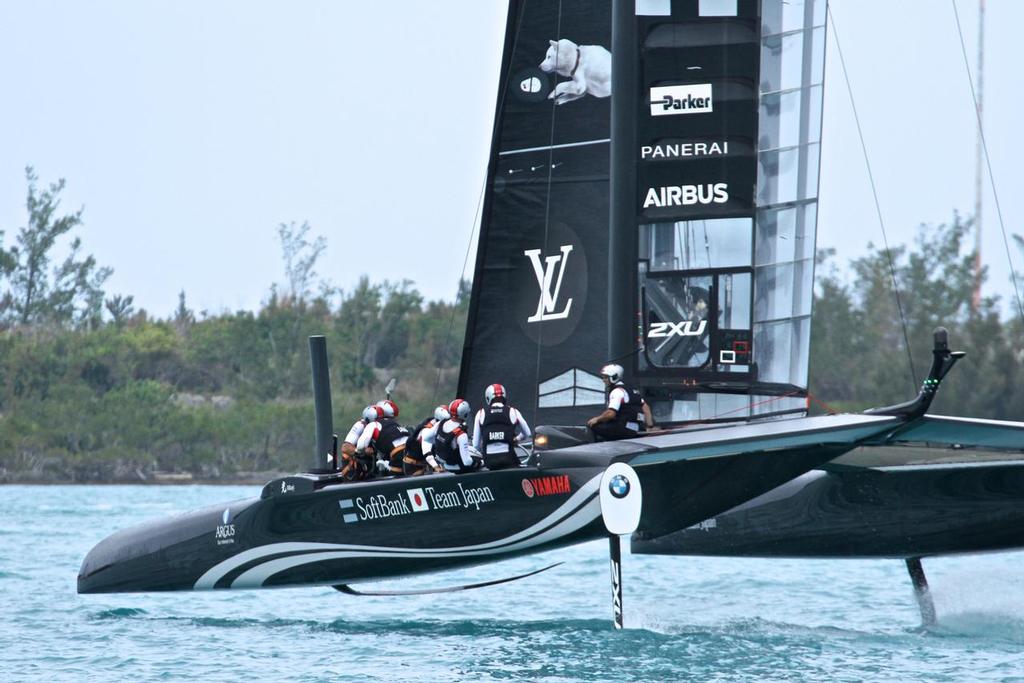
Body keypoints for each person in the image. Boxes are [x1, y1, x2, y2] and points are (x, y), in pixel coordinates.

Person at [586, 363, 655, 441]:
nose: (603, 380)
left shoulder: (617, 391)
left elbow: (610, 414)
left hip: (623, 429)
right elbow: (646, 408)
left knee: (592, 425)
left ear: (614, 377)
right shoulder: (632, 390)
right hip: (638, 429)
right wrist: (650, 427)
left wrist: (597, 419)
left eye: (605, 378)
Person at [472, 383, 531, 470]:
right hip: (509, 459)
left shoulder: (480, 413)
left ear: (488, 397)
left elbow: (476, 444)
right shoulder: (513, 411)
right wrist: (516, 439)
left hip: (489, 461)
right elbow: (527, 433)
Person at [356, 401, 410, 477]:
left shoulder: (372, 425)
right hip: (412, 449)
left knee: (395, 476)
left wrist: (362, 451)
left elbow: (360, 446)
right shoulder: (394, 423)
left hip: (398, 452)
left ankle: (386, 467)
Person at [431, 398, 481, 474]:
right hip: (458, 467)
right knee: (478, 456)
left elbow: (427, 438)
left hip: (446, 465)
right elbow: (467, 462)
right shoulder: (461, 433)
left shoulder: (441, 423)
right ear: (465, 414)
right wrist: (480, 462)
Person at [403, 404, 450, 476]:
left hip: (425, 463)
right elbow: (427, 452)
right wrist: (436, 467)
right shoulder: (427, 430)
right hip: (414, 467)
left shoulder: (436, 424)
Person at [339, 405, 382, 480]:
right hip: (354, 469)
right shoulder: (360, 426)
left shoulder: (379, 428)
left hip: (371, 465)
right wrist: (362, 451)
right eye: (379, 419)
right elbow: (345, 447)